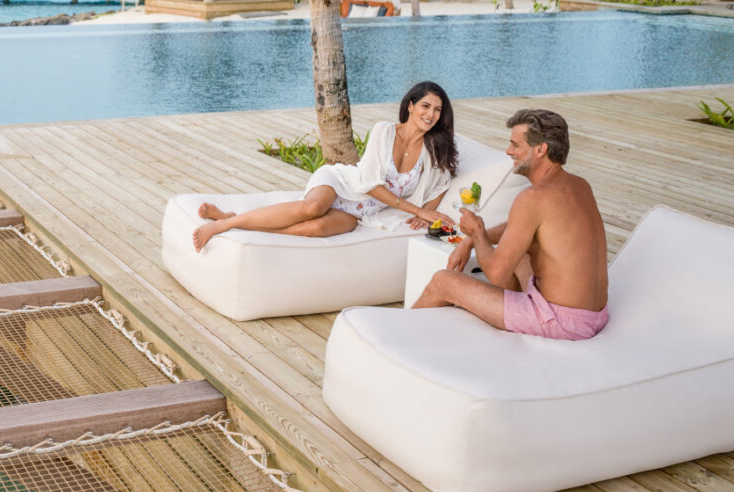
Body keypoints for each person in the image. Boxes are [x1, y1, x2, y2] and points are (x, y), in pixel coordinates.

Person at [192, 81, 458, 251]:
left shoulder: (433, 149)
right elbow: (369, 184)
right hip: (343, 184)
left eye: (437, 109)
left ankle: (234, 221)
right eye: (425, 106)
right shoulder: (384, 131)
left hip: (364, 211)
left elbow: (441, 183)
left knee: (316, 229)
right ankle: (223, 225)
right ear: (410, 106)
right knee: (312, 208)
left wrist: (427, 211)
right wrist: (418, 211)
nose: (431, 114)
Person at [414, 108, 609, 340]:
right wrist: (470, 242)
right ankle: (503, 311)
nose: (509, 151)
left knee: (443, 281)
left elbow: (496, 273)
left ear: (540, 149)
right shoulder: (579, 185)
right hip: (593, 315)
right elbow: (519, 229)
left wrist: (477, 234)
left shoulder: (532, 198)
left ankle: (395, 340)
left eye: (516, 145)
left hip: (560, 321)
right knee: (523, 252)